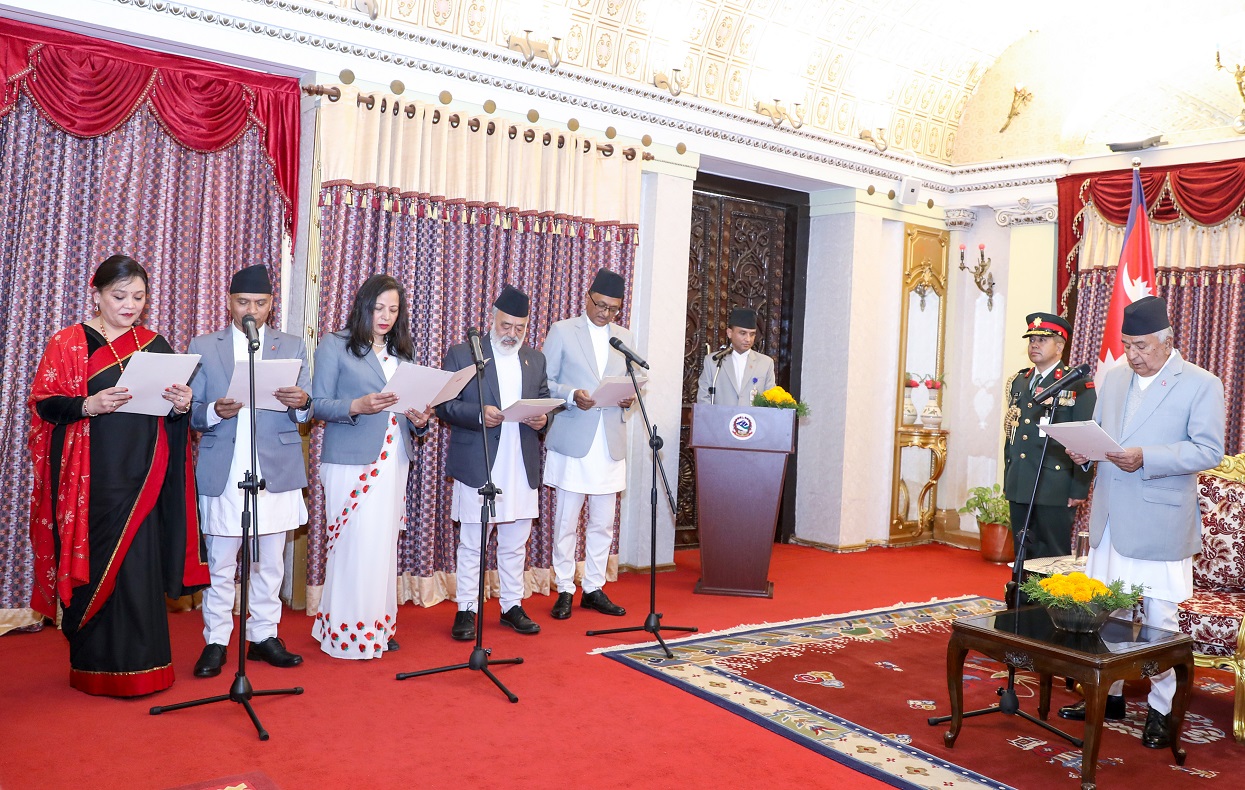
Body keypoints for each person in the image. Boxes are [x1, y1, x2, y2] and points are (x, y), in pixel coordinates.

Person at [28, 254, 207, 696]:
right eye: (119, 295)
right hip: (90, 481)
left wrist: (182, 403)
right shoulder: (69, 342)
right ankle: (94, 667)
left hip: (145, 477)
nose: (129, 305)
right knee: (93, 568)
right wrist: (89, 405)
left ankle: (147, 668)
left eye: (138, 297)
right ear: (98, 294)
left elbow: (171, 414)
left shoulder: (155, 344)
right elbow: (44, 403)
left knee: (138, 570)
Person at [1056, 296, 1224, 750]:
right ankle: (1106, 694)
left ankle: (1161, 710)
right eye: (1127, 344)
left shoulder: (1201, 384)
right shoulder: (1113, 379)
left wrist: (1146, 457)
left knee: (1158, 621)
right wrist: (1082, 450)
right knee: (1104, 611)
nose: (1133, 355)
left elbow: (1209, 451)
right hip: (1111, 514)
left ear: (1168, 341)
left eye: (1142, 346)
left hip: (1159, 518)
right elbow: (1101, 432)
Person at [188, 264, 311, 678]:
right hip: (226, 464)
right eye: (244, 303)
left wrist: (301, 402)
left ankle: (263, 636)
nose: (252, 311)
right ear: (229, 302)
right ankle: (217, 640)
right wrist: (212, 411)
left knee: (269, 562)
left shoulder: (292, 345)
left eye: (260, 304)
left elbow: (307, 408)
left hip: (274, 465)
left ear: (271, 305)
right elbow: (192, 412)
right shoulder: (205, 345)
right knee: (221, 562)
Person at [311, 274, 432, 660]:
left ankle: (377, 624)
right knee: (354, 546)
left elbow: (410, 416)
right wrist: (356, 406)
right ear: (363, 306)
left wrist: (421, 417)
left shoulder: (403, 357)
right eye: (379, 308)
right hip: (350, 459)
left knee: (381, 546)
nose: (385, 317)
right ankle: (348, 634)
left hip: (393, 460)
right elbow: (317, 403)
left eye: (393, 310)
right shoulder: (336, 345)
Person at [438, 285, 550, 640]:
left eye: (519, 327)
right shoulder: (462, 354)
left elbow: (545, 400)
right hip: (480, 460)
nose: (512, 334)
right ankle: (466, 609)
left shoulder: (535, 359)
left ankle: (511, 605)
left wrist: (543, 419)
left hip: (521, 460)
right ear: (492, 318)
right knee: (473, 539)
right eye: (506, 325)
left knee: (516, 539)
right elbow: (444, 406)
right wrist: (477, 414)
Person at [541, 269, 637, 620]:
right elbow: (544, 382)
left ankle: (594, 587)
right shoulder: (563, 331)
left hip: (609, 442)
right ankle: (565, 587)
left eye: (613, 309)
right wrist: (570, 394)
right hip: (574, 438)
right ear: (588, 297)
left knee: (603, 523)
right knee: (566, 520)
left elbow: (631, 382)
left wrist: (629, 399)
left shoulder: (623, 338)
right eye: (601, 305)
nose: (605, 313)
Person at [1001, 312, 1095, 559]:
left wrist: (1079, 489)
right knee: (1022, 552)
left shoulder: (1076, 383)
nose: (1034, 344)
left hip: (1055, 485)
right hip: (1021, 481)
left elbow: (1084, 440)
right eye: (1031, 339)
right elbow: (1013, 433)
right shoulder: (1019, 381)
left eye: (1043, 339)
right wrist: (1009, 477)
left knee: (1052, 555)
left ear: (1060, 346)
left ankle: (1047, 600)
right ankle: (1022, 598)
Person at [696, 307, 776, 405]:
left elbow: (771, 401)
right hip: (722, 419)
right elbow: (703, 398)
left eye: (752, 334)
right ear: (729, 333)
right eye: (743, 333)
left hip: (753, 419)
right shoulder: (713, 361)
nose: (748, 339)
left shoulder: (765, 363)